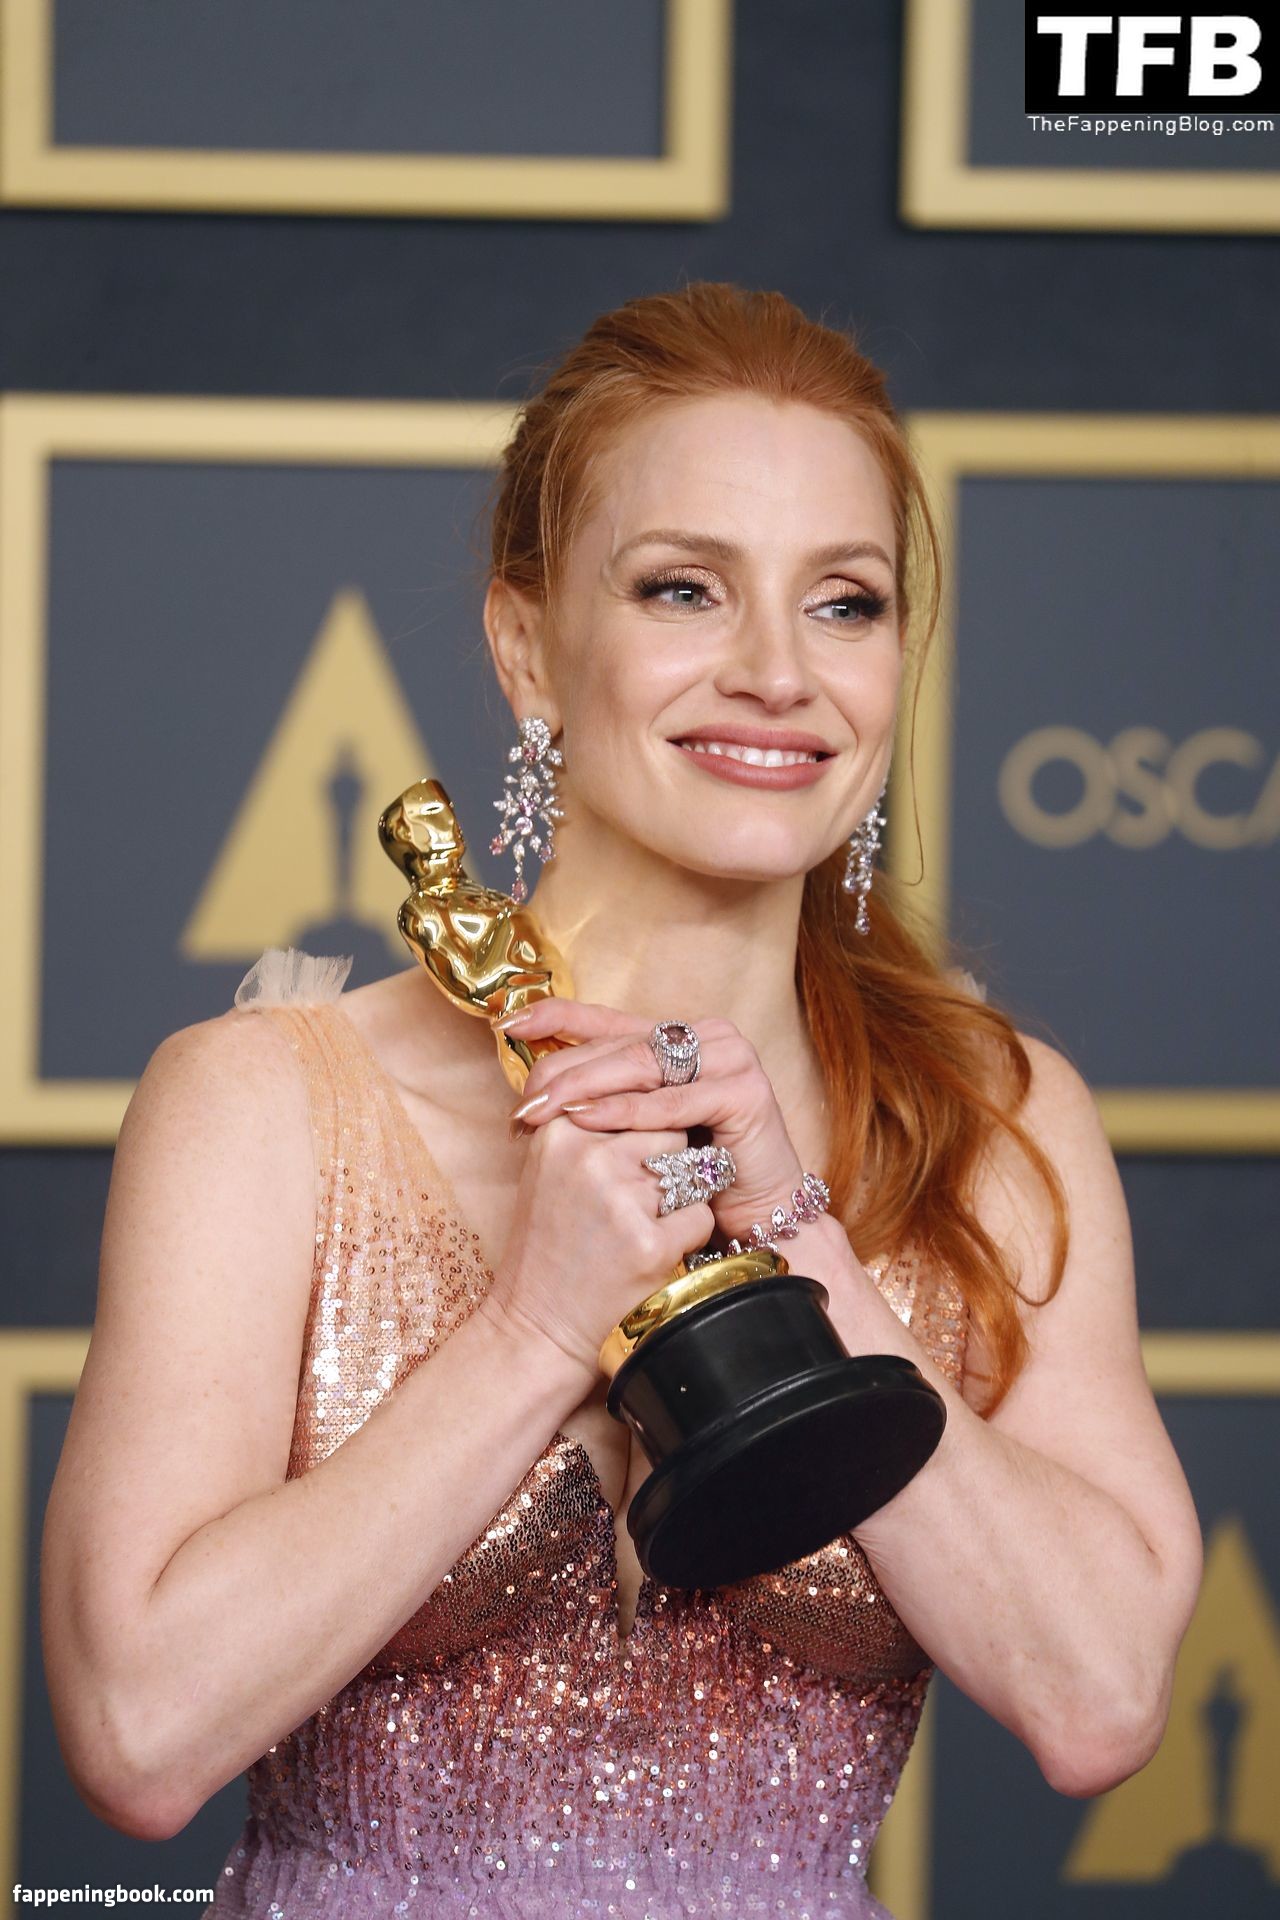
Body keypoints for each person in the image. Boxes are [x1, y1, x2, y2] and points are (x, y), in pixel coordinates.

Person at [41, 282, 1203, 1919]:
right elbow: (137, 1734)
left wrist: (801, 1242)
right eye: (683, 588)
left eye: (846, 603)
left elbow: (1100, 1706)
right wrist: (532, 1327)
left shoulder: (999, 1124)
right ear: (530, 645)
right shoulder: (266, 1107)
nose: (778, 673)